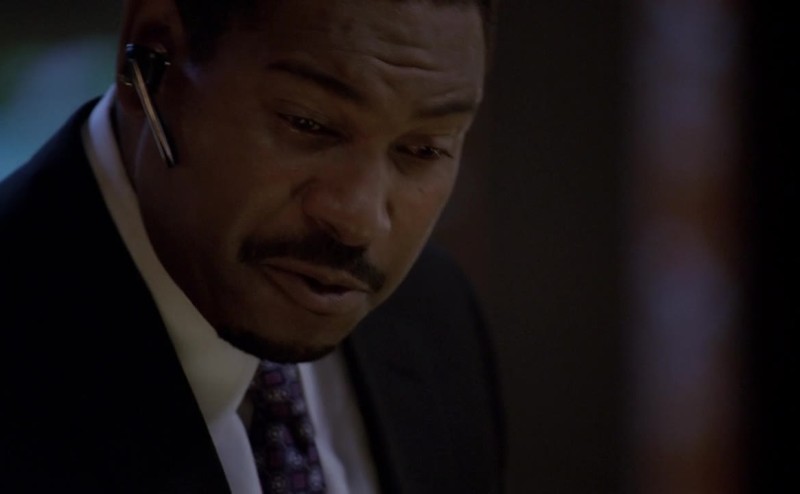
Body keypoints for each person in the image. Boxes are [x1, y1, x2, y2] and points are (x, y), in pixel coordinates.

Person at [0, 0, 504, 492]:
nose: (359, 221)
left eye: (424, 149)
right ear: (154, 56)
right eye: (307, 122)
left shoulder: (436, 316)